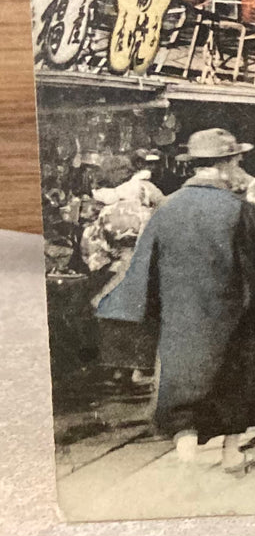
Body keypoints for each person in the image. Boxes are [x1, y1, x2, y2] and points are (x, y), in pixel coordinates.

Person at [96, 129, 255, 472]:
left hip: (181, 317)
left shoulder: (167, 209)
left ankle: (186, 459)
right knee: (234, 383)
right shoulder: (238, 209)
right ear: (226, 163)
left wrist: (152, 309)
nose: (239, 166)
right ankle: (231, 454)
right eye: (237, 161)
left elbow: (144, 264)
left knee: (183, 386)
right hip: (231, 314)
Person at [82, 153, 164, 391]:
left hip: (117, 263)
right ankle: (139, 369)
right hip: (145, 262)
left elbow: (94, 241)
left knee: (116, 316)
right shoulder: (145, 191)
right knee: (142, 315)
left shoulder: (106, 204)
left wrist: (104, 260)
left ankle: (120, 371)